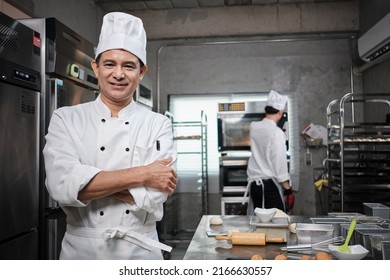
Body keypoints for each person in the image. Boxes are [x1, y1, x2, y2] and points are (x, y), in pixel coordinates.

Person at [43, 12, 177, 260]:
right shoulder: (65, 118)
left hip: (141, 252)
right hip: (82, 254)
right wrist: (144, 174)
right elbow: (60, 188)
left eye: (128, 65)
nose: (118, 74)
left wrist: (86, 183)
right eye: (109, 64)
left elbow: (156, 195)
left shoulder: (159, 123)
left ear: (142, 71)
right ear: (96, 67)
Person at [245, 90, 294, 214]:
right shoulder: (277, 133)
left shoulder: (254, 127)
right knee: (277, 225)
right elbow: (279, 162)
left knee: (260, 225)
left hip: (255, 186)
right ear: (281, 112)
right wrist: (287, 189)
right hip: (268, 187)